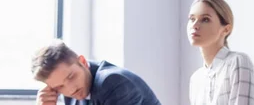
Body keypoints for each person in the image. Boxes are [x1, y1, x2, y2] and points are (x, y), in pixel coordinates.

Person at [31, 40, 161, 105]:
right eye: (59, 87)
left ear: (82, 61)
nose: (70, 89)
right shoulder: (72, 95)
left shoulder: (113, 82)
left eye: (71, 77)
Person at [187, 0, 254, 105]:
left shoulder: (238, 63)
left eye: (205, 19)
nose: (195, 25)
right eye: (192, 19)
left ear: (226, 29)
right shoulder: (196, 79)